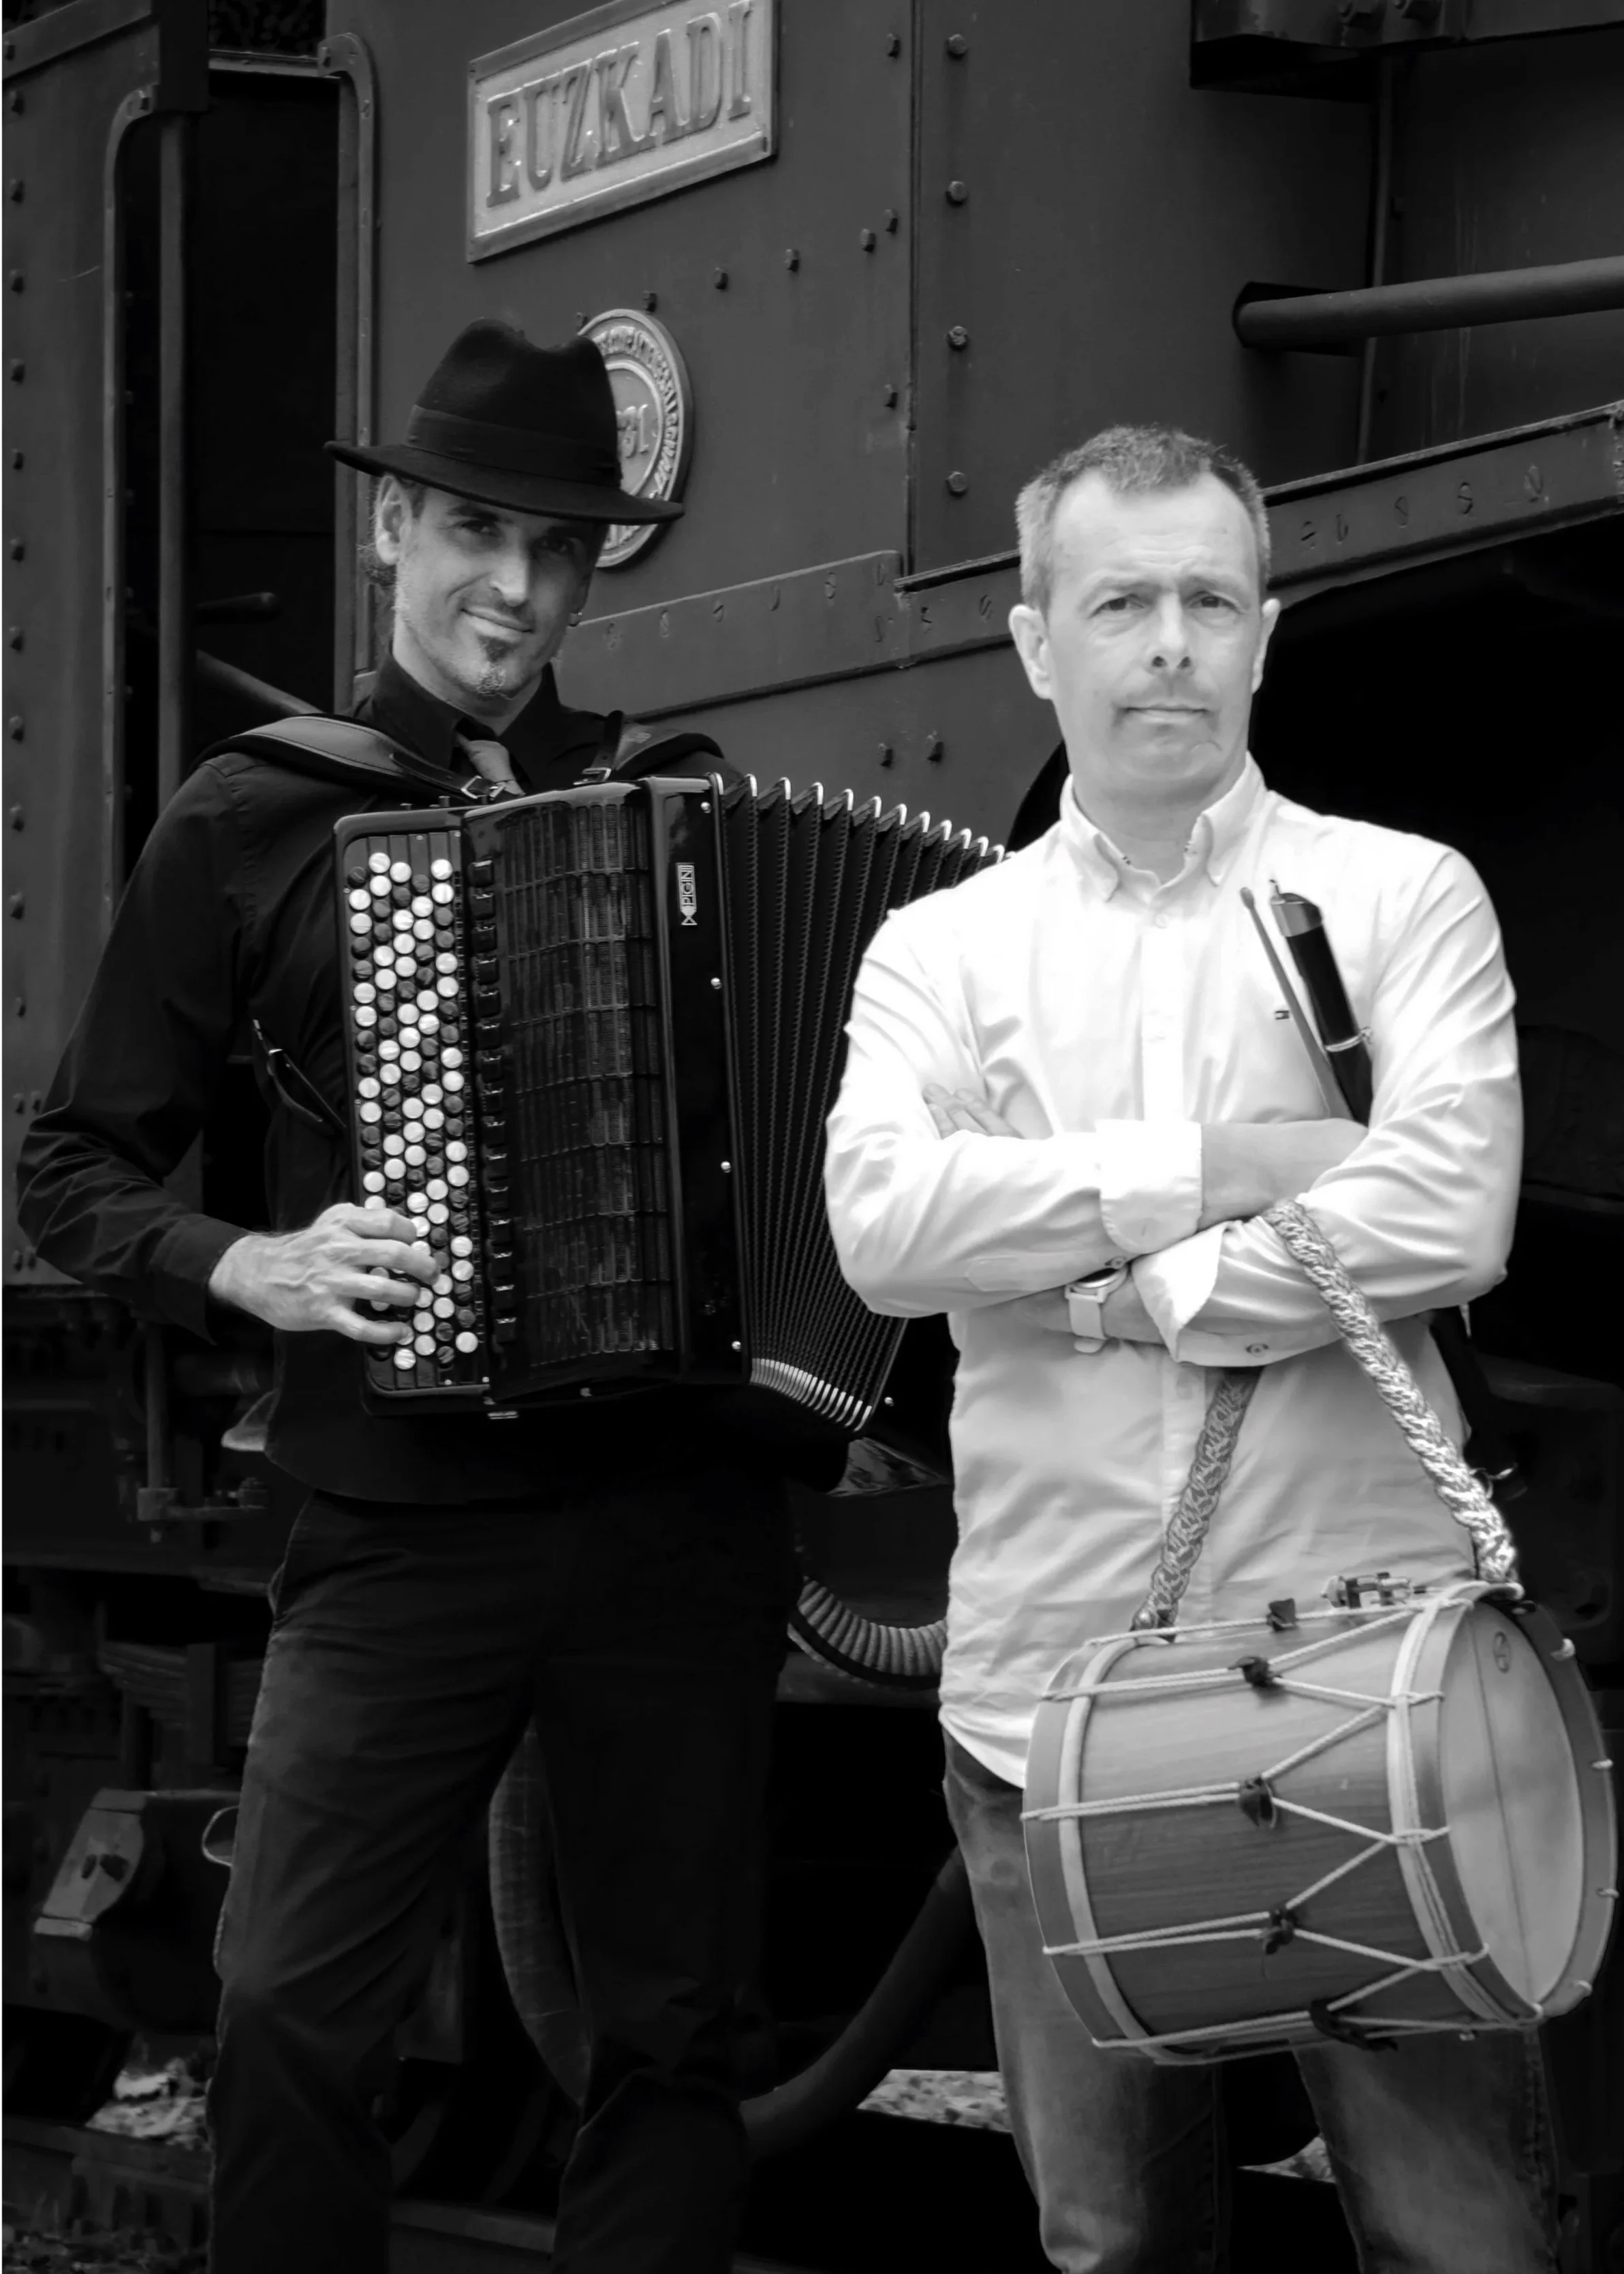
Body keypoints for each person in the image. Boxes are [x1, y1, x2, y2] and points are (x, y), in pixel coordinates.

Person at [18, 321, 797, 2274]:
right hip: (397, 1522)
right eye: (475, 534)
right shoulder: (252, 813)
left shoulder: (678, 800)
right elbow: (75, 1167)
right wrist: (251, 1262)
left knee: (677, 2035)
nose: (515, 590)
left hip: (671, 1512)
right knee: (288, 2009)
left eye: (559, 550)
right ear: (393, 532)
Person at [824, 426, 1552, 2273]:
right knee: (1115, 2246)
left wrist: (1121, 1286)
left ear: (1263, 635)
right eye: (1121, 602)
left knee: (1466, 2245)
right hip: (1050, 1703)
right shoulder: (938, 952)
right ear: (1033, 641)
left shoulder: (1404, 897)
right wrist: (1230, 1168)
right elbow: (884, 1233)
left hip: (1371, 1686)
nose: (1169, 642)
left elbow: (1452, 1215)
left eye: (1210, 601)